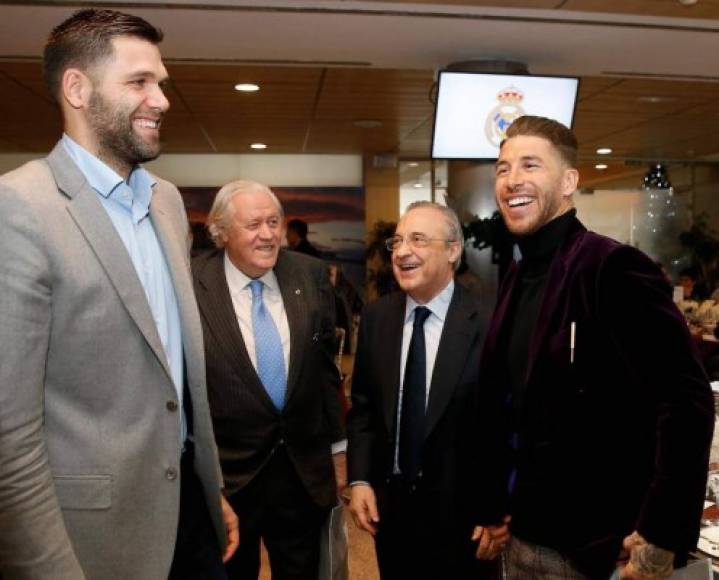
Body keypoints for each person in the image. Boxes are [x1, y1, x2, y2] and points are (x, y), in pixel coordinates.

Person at [0, 9, 238, 579]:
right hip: (93, 544)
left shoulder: (167, 201)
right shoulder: (19, 210)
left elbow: (172, 377)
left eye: (160, 82)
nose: (161, 99)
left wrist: (212, 492)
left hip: (190, 518)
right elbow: (10, 434)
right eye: (139, 82)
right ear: (76, 89)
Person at [479, 115, 714, 579]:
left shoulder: (612, 268)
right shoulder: (516, 276)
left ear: (569, 181)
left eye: (530, 165)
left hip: (595, 549)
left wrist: (661, 534)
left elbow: (685, 400)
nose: (512, 180)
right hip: (525, 535)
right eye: (503, 168)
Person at [192, 180, 347, 579]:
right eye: (253, 224)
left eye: (274, 222)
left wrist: (339, 448)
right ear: (221, 231)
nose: (268, 234)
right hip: (230, 479)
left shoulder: (310, 275)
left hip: (301, 472)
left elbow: (324, 369)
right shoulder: (192, 282)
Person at [347, 201, 508, 579]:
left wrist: (496, 512)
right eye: (398, 241)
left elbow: (503, 425)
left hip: (466, 519)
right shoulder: (377, 318)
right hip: (394, 511)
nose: (402, 251)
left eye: (418, 239)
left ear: (453, 250)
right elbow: (364, 409)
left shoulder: (489, 322)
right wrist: (360, 479)